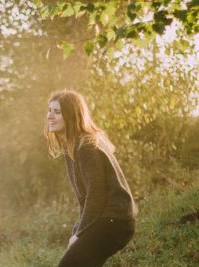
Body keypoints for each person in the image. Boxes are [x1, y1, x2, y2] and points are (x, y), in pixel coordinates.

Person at [44, 89, 138, 267]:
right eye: (49, 111)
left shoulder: (86, 147)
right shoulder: (72, 146)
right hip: (107, 219)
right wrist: (78, 230)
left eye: (57, 112)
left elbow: (96, 194)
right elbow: (85, 199)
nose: (50, 116)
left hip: (115, 221)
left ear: (71, 116)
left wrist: (79, 234)